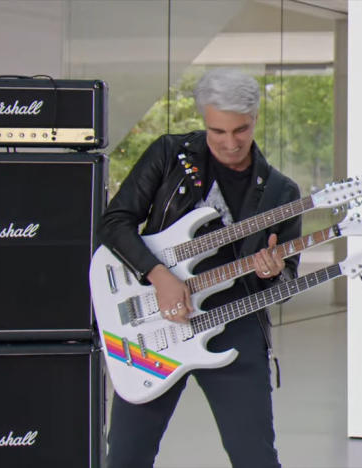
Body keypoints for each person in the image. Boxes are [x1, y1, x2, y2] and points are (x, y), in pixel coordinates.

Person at [98, 68, 301, 467]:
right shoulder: (168, 154)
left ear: (255, 118)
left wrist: (272, 272)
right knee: (125, 455)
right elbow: (114, 222)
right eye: (218, 131)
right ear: (204, 119)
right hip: (155, 320)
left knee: (255, 458)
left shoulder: (281, 192)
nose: (230, 143)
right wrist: (159, 277)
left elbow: (288, 279)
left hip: (235, 323)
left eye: (240, 130)